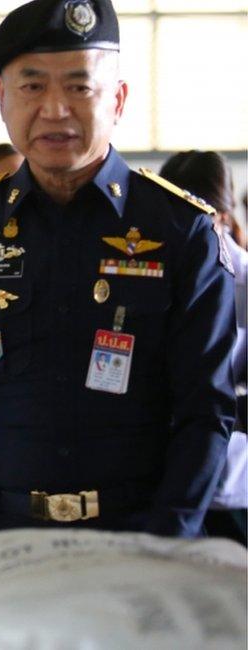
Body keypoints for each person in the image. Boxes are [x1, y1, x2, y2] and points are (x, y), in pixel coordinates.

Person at [0, 0, 236, 571]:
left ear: (118, 99)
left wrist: (166, 547)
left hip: (139, 540)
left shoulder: (179, 231)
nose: (55, 109)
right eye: (32, 87)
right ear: (3, 99)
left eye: (80, 87)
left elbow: (207, 412)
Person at [159, 150, 247, 544]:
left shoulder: (241, 278)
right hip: (161, 481)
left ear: (222, 213)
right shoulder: (151, 271)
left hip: (229, 487)